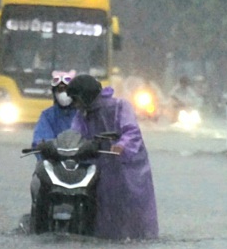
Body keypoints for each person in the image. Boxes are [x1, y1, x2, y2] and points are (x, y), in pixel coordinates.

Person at [64, 74, 159, 240]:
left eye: (76, 99)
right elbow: (74, 134)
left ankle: (137, 236)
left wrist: (121, 146)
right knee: (102, 203)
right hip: (99, 163)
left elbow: (131, 131)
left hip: (127, 167)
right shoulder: (83, 113)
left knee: (130, 203)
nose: (75, 104)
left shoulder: (121, 106)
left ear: (85, 96)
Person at [29, 70, 78, 232]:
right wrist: (42, 146)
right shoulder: (47, 116)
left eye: (67, 90)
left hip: (80, 165)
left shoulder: (83, 115)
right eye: (59, 90)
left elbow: (92, 136)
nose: (63, 94)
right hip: (54, 165)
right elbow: (39, 138)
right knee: (38, 184)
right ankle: (39, 227)